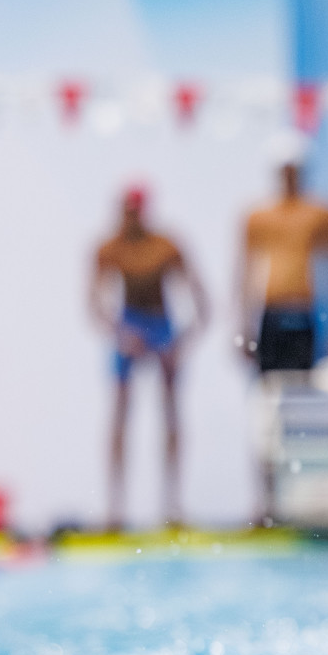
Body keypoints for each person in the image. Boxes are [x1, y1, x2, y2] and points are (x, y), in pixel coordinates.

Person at [88, 185, 209, 530]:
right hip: (129, 323)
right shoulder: (109, 248)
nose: (129, 218)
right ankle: (115, 508)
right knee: (120, 413)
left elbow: (201, 299)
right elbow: (94, 303)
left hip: (161, 324)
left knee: (170, 412)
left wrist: (182, 342)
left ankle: (172, 504)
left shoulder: (165, 246)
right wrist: (120, 334)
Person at [239, 163, 328, 373]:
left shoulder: (320, 215)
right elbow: (247, 272)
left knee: (303, 381)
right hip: (272, 309)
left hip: (304, 309)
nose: (289, 178)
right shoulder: (260, 217)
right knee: (268, 381)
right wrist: (244, 326)